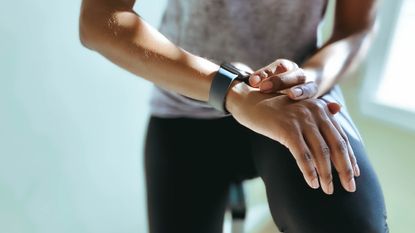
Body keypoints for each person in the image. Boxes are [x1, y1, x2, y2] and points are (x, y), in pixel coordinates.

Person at [79, 0, 389, 232]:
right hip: (187, 107)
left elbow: (356, 27)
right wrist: (233, 91)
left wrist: (307, 81)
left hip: (297, 102)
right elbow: (100, 19)